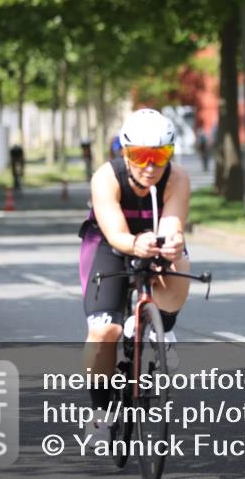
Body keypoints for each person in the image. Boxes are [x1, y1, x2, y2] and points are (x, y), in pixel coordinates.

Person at [78, 109, 192, 439]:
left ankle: (163, 329)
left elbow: (172, 225)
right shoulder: (105, 177)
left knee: (181, 263)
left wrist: (171, 243)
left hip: (151, 239)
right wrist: (133, 243)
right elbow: (115, 234)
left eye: (160, 155)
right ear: (125, 153)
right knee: (103, 334)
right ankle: (100, 413)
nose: (150, 165)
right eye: (141, 156)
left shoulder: (177, 179)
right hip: (109, 244)